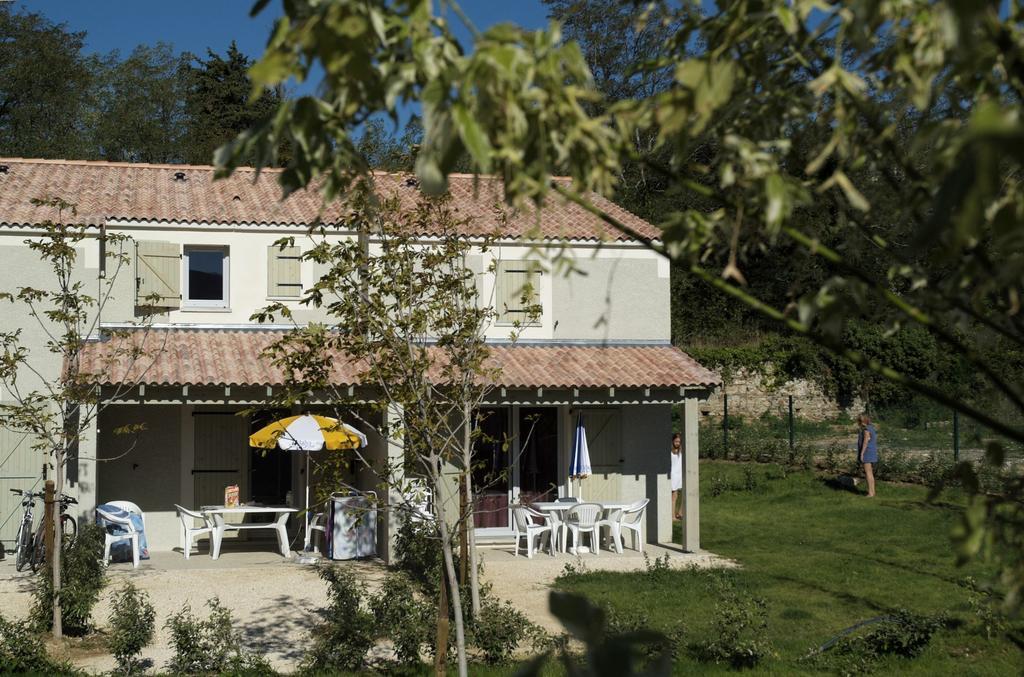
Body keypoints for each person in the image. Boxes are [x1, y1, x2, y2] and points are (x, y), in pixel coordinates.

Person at [857, 413, 878, 498]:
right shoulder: (871, 428)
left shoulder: (866, 429)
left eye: (858, 420)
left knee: (868, 473)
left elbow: (865, 442)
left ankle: (870, 493)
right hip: (872, 451)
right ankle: (873, 492)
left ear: (861, 421)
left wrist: (861, 454)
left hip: (867, 452)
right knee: (870, 473)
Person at [670, 432, 683, 519]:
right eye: (676, 441)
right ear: (673, 441)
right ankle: (672, 516)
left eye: (679, 441)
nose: (677, 443)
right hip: (673, 476)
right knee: (674, 497)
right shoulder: (670, 452)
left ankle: (680, 513)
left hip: (680, 475)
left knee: (682, 495)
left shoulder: (681, 451)